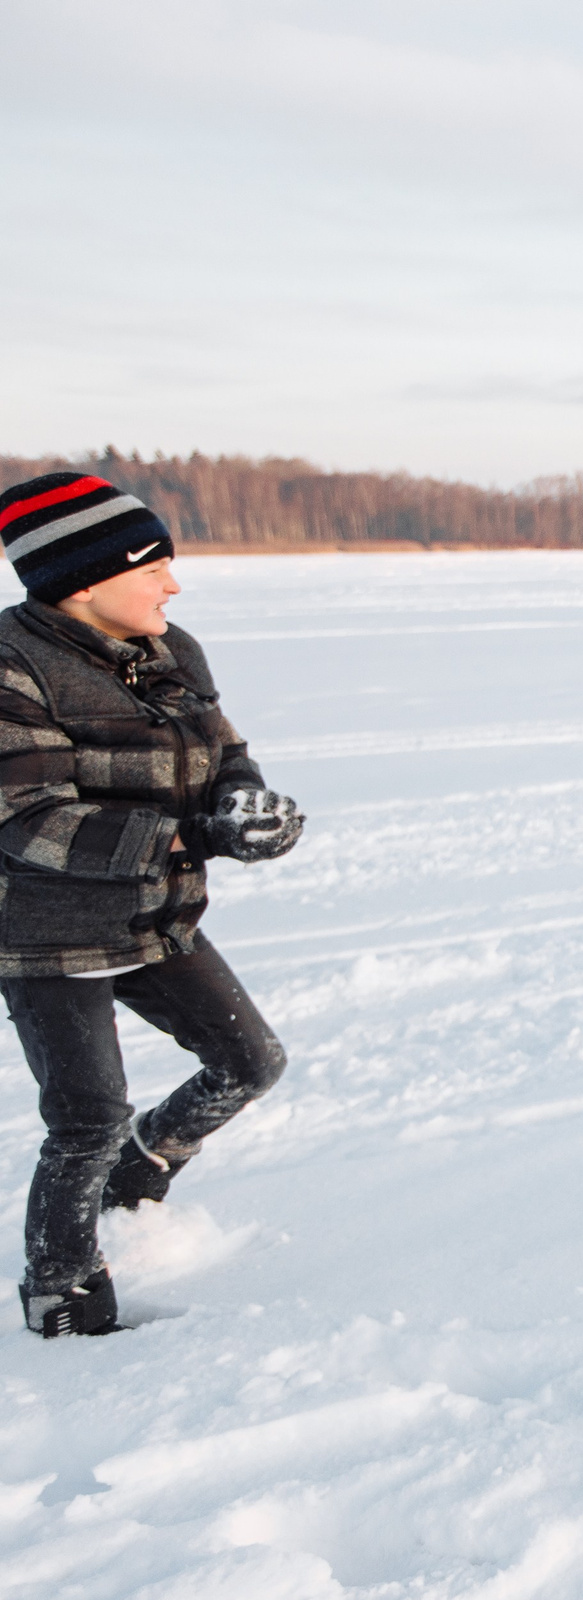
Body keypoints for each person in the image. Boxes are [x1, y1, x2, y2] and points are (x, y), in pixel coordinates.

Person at [0, 473, 304, 1337]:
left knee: (249, 1060)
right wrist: (195, 837)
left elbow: (222, 748)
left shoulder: (173, 648)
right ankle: (62, 1293)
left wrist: (244, 804)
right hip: (40, 932)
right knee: (86, 1115)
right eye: (153, 567)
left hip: (153, 915)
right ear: (84, 581)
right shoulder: (11, 668)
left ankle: (139, 1178)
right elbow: (31, 822)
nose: (173, 584)